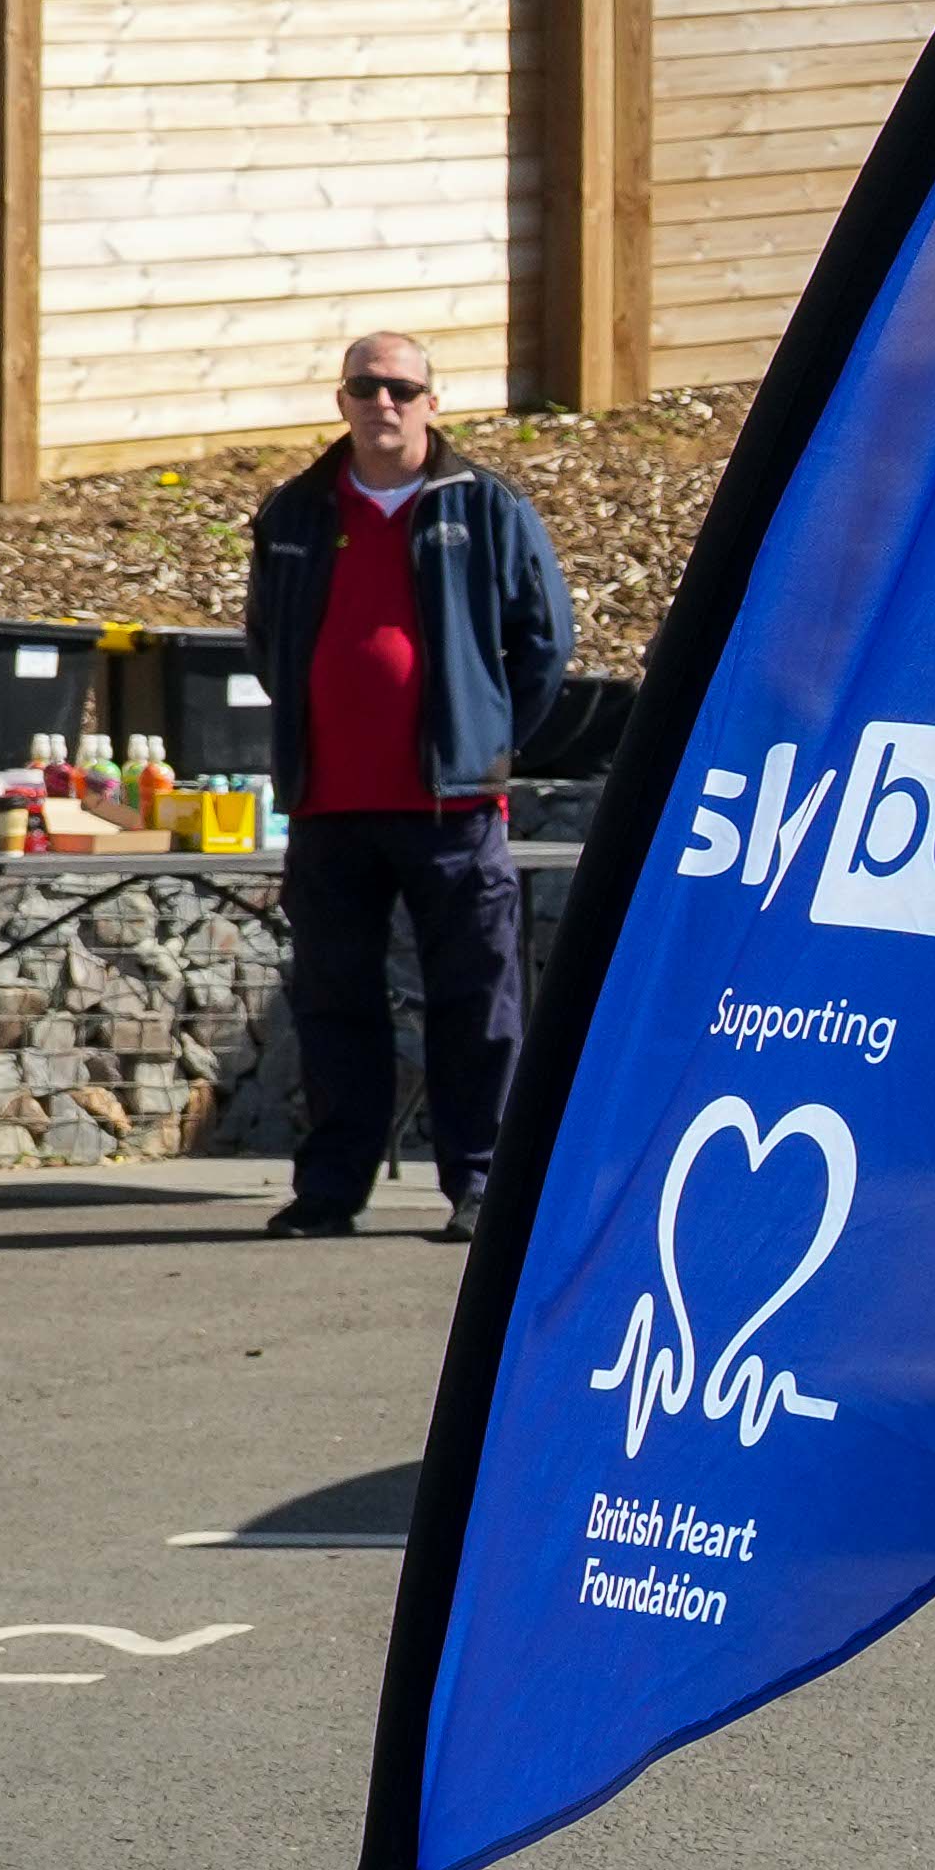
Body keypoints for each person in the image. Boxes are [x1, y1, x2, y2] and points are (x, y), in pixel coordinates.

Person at [239, 332, 571, 1241]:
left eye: (401, 388)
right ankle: (331, 1189)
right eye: (365, 387)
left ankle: (480, 1185)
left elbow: (544, 647)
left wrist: (486, 740)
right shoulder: (295, 511)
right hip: (329, 806)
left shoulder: (488, 507)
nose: (383, 402)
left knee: (477, 1001)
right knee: (333, 1002)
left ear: (432, 402)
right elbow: (268, 641)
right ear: (340, 401)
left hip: (452, 808)